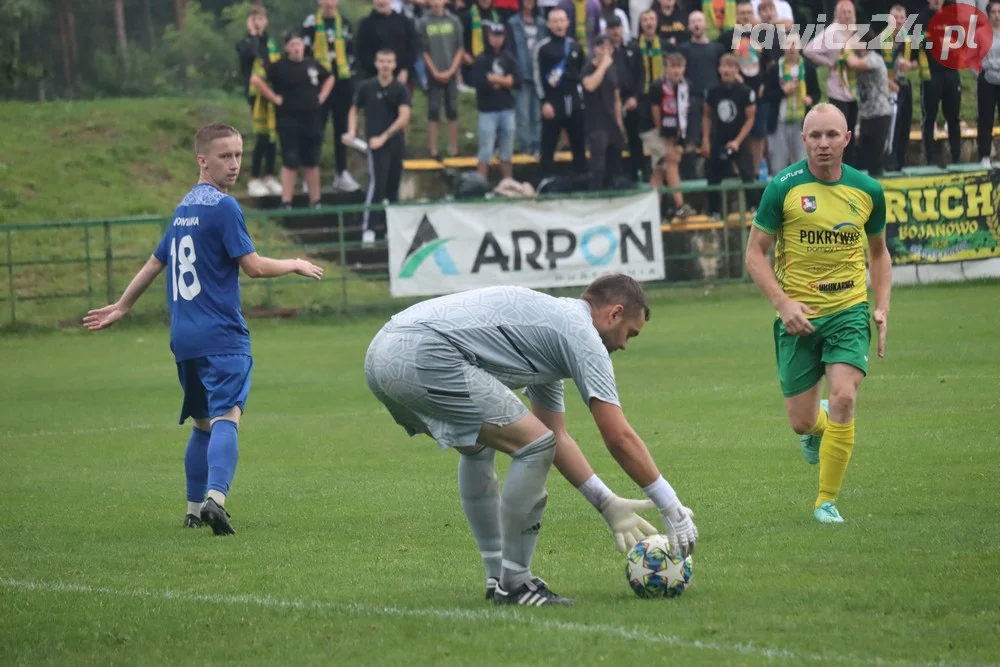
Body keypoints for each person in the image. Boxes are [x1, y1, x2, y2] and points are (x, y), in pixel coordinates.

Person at [363, 274, 699, 605]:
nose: (625, 344)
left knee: (482, 446)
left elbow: (555, 436)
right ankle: (516, 583)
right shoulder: (582, 335)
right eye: (630, 333)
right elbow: (618, 437)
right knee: (533, 445)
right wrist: (670, 506)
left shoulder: (551, 331)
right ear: (614, 313)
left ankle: (498, 577)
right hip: (421, 352)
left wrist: (607, 503)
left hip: (383, 350)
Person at [82, 123, 325, 535]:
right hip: (222, 335)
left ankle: (193, 511)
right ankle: (216, 499)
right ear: (202, 160)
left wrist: (124, 305)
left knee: (201, 423)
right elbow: (253, 267)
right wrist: (295, 263)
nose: (234, 164)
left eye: (238, 155)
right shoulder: (224, 208)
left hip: (185, 338)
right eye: (225, 156)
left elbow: (155, 262)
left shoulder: (183, 210)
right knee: (227, 417)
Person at [744, 103, 891, 524]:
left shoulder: (868, 191)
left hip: (848, 309)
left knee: (846, 395)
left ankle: (826, 500)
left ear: (847, 138)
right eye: (815, 135)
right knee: (801, 422)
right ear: (804, 139)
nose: (823, 143)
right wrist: (784, 304)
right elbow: (754, 253)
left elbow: (879, 255)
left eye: (832, 135)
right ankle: (817, 428)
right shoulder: (783, 187)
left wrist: (880, 307)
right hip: (798, 317)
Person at [250, 33, 336, 209]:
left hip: (312, 118)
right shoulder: (280, 66)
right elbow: (256, 79)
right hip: (289, 119)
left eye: (299, 44)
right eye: (293, 45)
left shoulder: (312, 64)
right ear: (287, 48)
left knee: (312, 161)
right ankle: (286, 201)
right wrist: (274, 97)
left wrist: (321, 97)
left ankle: (316, 201)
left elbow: (330, 77)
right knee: (290, 160)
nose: (297, 48)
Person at [344, 49, 412, 246]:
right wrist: (352, 131)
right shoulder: (367, 87)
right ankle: (369, 229)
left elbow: (404, 116)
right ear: (376, 63)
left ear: (394, 64)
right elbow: (354, 108)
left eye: (389, 62)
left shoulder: (400, 88)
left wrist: (385, 136)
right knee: (378, 185)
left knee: (393, 187)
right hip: (375, 145)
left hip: (394, 143)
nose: (385, 65)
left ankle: (393, 230)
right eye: (382, 61)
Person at [302, 0, 362, 193]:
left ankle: (342, 172)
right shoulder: (310, 23)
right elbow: (304, 53)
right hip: (318, 83)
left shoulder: (344, 23)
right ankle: (309, 174)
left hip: (342, 82)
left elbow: (352, 51)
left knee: (342, 129)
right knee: (315, 129)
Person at [803, 0, 860, 166]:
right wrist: (829, 62)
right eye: (844, 12)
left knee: (851, 130)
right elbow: (809, 50)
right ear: (837, 14)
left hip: (854, 88)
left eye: (850, 12)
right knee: (839, 129)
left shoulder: (856, 31)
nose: (847, 15)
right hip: (837, 88)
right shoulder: (832, 31)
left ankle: (850, 165)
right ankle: (838, 164)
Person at [701, 53, 757, 219]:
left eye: (730, 66)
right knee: (713, 175)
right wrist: (705, 140)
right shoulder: (712, 91)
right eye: (723, 66)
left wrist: (738, 141)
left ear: (736, 70)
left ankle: (754, 208)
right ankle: (714, 211)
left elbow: (750, 118)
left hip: (739, 138)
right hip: (719, 138)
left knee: (748, 173)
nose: (726, 70)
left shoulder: (745, 92)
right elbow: (707, 116)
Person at [534, 8, 589, 178]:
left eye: (561, 20)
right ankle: (546, 182)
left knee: (578, 144)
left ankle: (581, 181)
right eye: (555, 21)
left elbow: (583, 74)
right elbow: (537, 76)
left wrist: (582, 100)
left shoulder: (575, 46)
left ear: (567, 23)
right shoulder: (542, 48)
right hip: (553, 100)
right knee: (548, 145)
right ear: (549, 24)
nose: (559, 24)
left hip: (573, 100)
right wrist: (544, 101)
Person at [236, 5, 282, 198]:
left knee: (272, 135)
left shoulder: (271, 43)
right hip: (256, 94)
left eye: (261, 18)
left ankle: (269, 175)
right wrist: (254, 35)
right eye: (254, 18)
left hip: (272, 92)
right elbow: (251, 54)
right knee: (262, 134)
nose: (258, 22)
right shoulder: (244, 43)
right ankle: (254, 177)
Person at [911, 0, 962, 166]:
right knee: (929, 118)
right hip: (931, 74)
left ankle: (956, 158)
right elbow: (914, 44)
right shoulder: (920, 18)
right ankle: (929, 160)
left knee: (953, 117)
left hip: (951, 73)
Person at [763, 33, 819, 173]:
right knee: (778, 162)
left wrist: (810, 99)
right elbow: (766, 95)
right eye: (788, 44)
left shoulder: (808, 68)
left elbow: (816, 92)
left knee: (802, 160)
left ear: (800, 47)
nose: (791, 48)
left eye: (794, 44)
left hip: (801, 121)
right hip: (779, 121)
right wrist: (783, 92)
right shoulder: (775, 69)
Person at [649, 52, 696, 216]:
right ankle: (679, 205)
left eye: (680, 67)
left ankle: (652, 210)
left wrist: (678, 142)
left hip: (673, 132)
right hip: (653, 130)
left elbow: (683, 114)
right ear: (666, 68)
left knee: (660, 170)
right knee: (670, 161)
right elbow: (655, 114)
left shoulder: (686, 86)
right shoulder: (657, 86)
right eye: (673, 67)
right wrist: (666, 141)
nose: (676, 71)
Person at [470, 22, 519, 179]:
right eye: (493, 36)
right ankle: (479, 182)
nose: (497, 40)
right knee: (485, 150)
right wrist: (505, 81)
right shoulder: (481, 59)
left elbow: (517, 81)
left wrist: (495, 79)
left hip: (507, 108)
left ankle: (508, 181)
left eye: (500, 36)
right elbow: (478, 81)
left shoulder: (509, 57)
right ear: (488, 36)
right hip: (487, 110)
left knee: (507, 151)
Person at [418, 0, 465, 158]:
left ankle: (454, 148)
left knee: (452, 109)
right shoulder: (424, 22)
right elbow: (424, 51)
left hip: (450, 72)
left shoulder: (454, 21)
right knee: (433, 109)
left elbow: (460, 48)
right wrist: (435, 72)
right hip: (433, 74)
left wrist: (452, 70)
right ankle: (433, 149)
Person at [845, 28, 893, 176]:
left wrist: (846, 49)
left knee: (876, 160)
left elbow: (855, 64)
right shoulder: (857, 57)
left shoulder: (874, 58)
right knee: (864, 158)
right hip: (866, 116)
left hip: (879, 115)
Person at [582, 34, 625, 190]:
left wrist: (619, 122)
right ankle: (595, 193)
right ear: (595, 49)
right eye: (602, 48)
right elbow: (590, 85)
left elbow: (617, 97)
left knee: (614, 162)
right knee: (598, 164)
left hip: (611, 120)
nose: (606, 52)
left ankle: (611, 191)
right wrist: (603, 66)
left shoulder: (613, 70)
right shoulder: (588, 68)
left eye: (609, 48)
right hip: (595, 121)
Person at [508, 0, 549, 156]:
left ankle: (537, 147)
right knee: (523, 114)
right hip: (522, 74)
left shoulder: (542, 23)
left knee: (537, 115)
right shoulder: (513, 23)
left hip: (538, 74)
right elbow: (511, 49)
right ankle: (525, 147)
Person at [976, 0, 1000, 167]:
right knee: (986, 118)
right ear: (988, 14)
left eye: (999, 12)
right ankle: (984, 155)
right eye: (994, 12)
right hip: (987, 80)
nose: (997, 16)